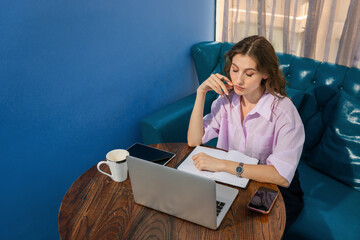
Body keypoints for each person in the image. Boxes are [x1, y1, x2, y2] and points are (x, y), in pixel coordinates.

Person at [187, 35, 305, 230]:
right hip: (234, 180)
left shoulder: (283, 111)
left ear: (265, 74)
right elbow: (194, 140)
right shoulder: (226, 101)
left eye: (249, 74)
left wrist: (223, 165)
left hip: (273, 189)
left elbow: (280, 176)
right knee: (203, 218)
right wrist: (201, 93)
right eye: (235, 69)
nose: (238, 80)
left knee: (246, 229)